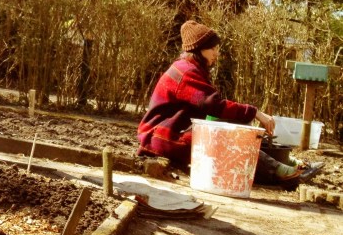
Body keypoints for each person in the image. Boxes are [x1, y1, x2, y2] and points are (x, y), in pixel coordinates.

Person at [138, 20, 322, 186]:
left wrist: (243, 118)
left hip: (168, 135)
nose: (216, 54)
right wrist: (256, 112)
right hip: (160, 138)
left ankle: (286, 164)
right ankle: (280, 172)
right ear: (198, 48)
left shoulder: (190, 68)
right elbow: (215, 105)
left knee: (235, 128)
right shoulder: (186, 72)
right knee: (226, 138)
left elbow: (212, 107)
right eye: (213, 49)